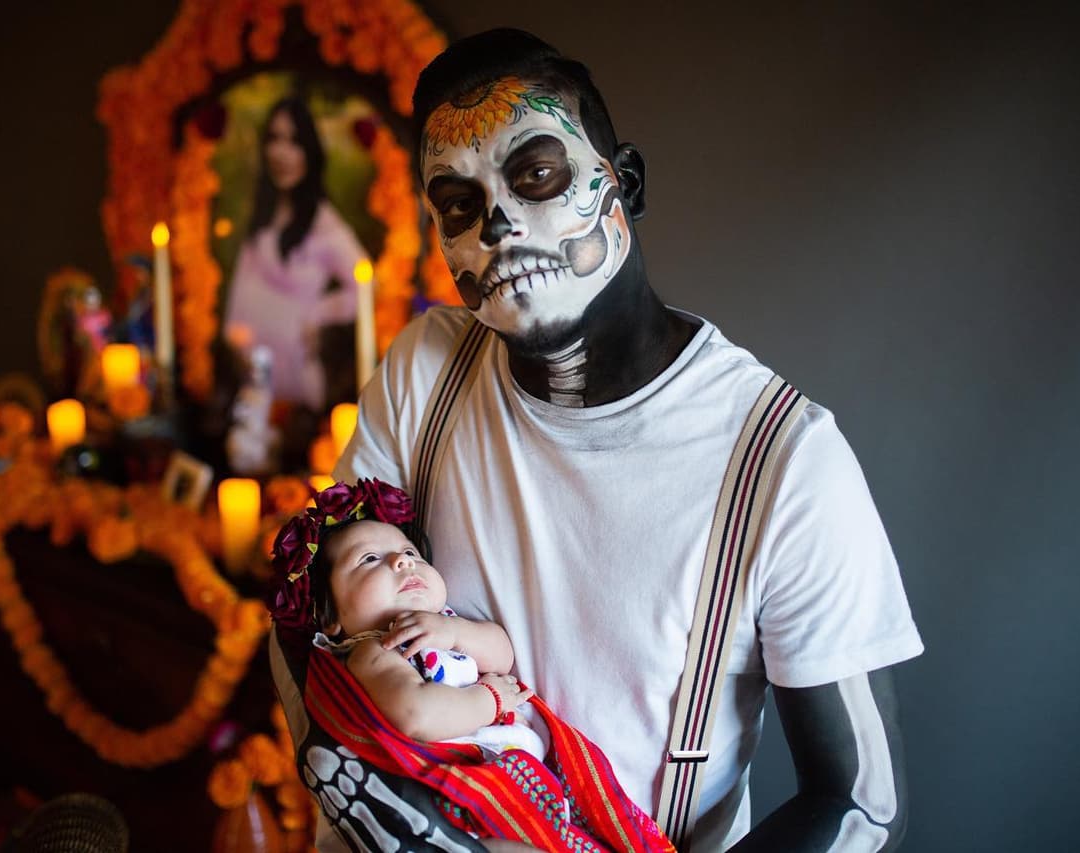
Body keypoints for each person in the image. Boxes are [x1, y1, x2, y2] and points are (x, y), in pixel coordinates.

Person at [273, 28, 924, 852]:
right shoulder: (426, 368)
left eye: (535, 173)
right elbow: (307, 611)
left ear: (628, 184)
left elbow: (860, 804)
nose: (500, 225)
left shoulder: (786, 463)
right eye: (458, 203)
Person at [268, 478, 673, 852]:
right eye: (370, 559)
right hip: (468, 798)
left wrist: (455, 633)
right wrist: (492, 698)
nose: (402, 562)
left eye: (408, 552)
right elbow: (417, 713)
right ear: (330, 618)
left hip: (524, 778)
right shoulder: (374, 650)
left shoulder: (443, 622)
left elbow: (501, 653)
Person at [224, 96, 366, 411]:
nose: (282, 153)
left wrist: (315, 315)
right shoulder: (263, 213)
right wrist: (238, 343)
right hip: (253, 386)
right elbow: (239, 298)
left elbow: (366, 284)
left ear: (309, 153)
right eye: (275, 139)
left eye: (294, 142)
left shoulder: (323, 223)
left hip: (297, 385)